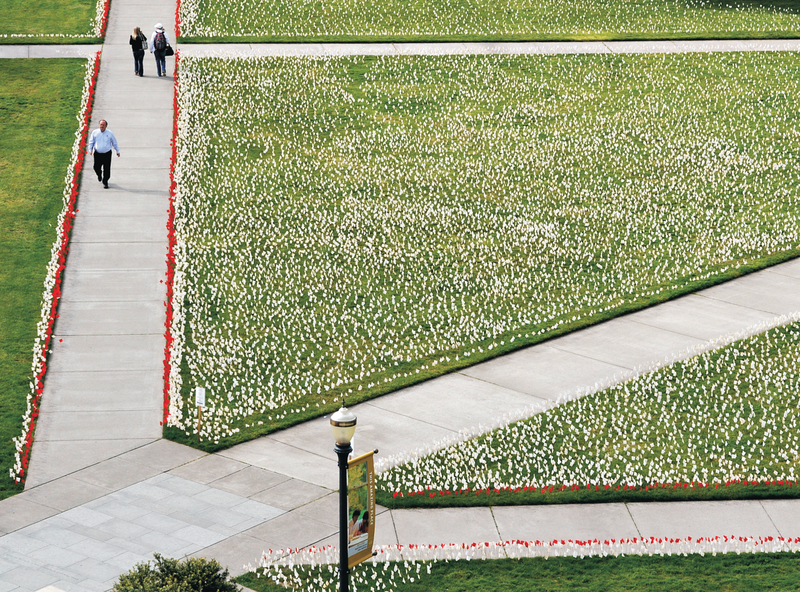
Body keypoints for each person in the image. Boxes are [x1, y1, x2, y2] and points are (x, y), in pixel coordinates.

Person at [88, 120, 120, 189]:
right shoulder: (95, 132)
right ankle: (99, 174)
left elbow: (114, 142)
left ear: (106, 126)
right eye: (101, 124)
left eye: (103, 125)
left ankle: (105, 181)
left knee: (107, 169)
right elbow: (91, 141)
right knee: (96, 167)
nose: (102, 126)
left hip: (107, 154)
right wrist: (90, 149)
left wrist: (117, 151)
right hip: (98, 154)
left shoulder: (110, 133)